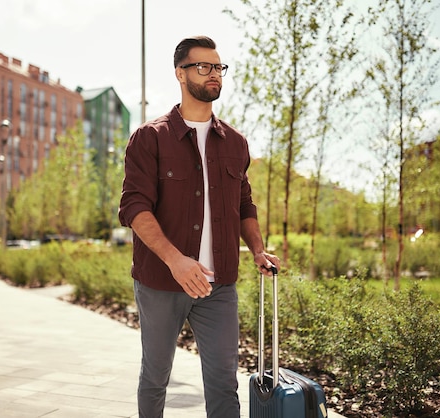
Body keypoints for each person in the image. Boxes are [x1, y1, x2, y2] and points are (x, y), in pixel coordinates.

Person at [118, 35, 281, 418]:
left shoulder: (235, 143)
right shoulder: (151, 138)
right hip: (161, 281)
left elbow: (245, 204)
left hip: (219, 285)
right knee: (156, 378)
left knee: (224, 382)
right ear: (180, 73)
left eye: (218, 67)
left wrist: (257, 249)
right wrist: (177, 261)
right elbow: (134, 207)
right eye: (203, 66)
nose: (214, 75)